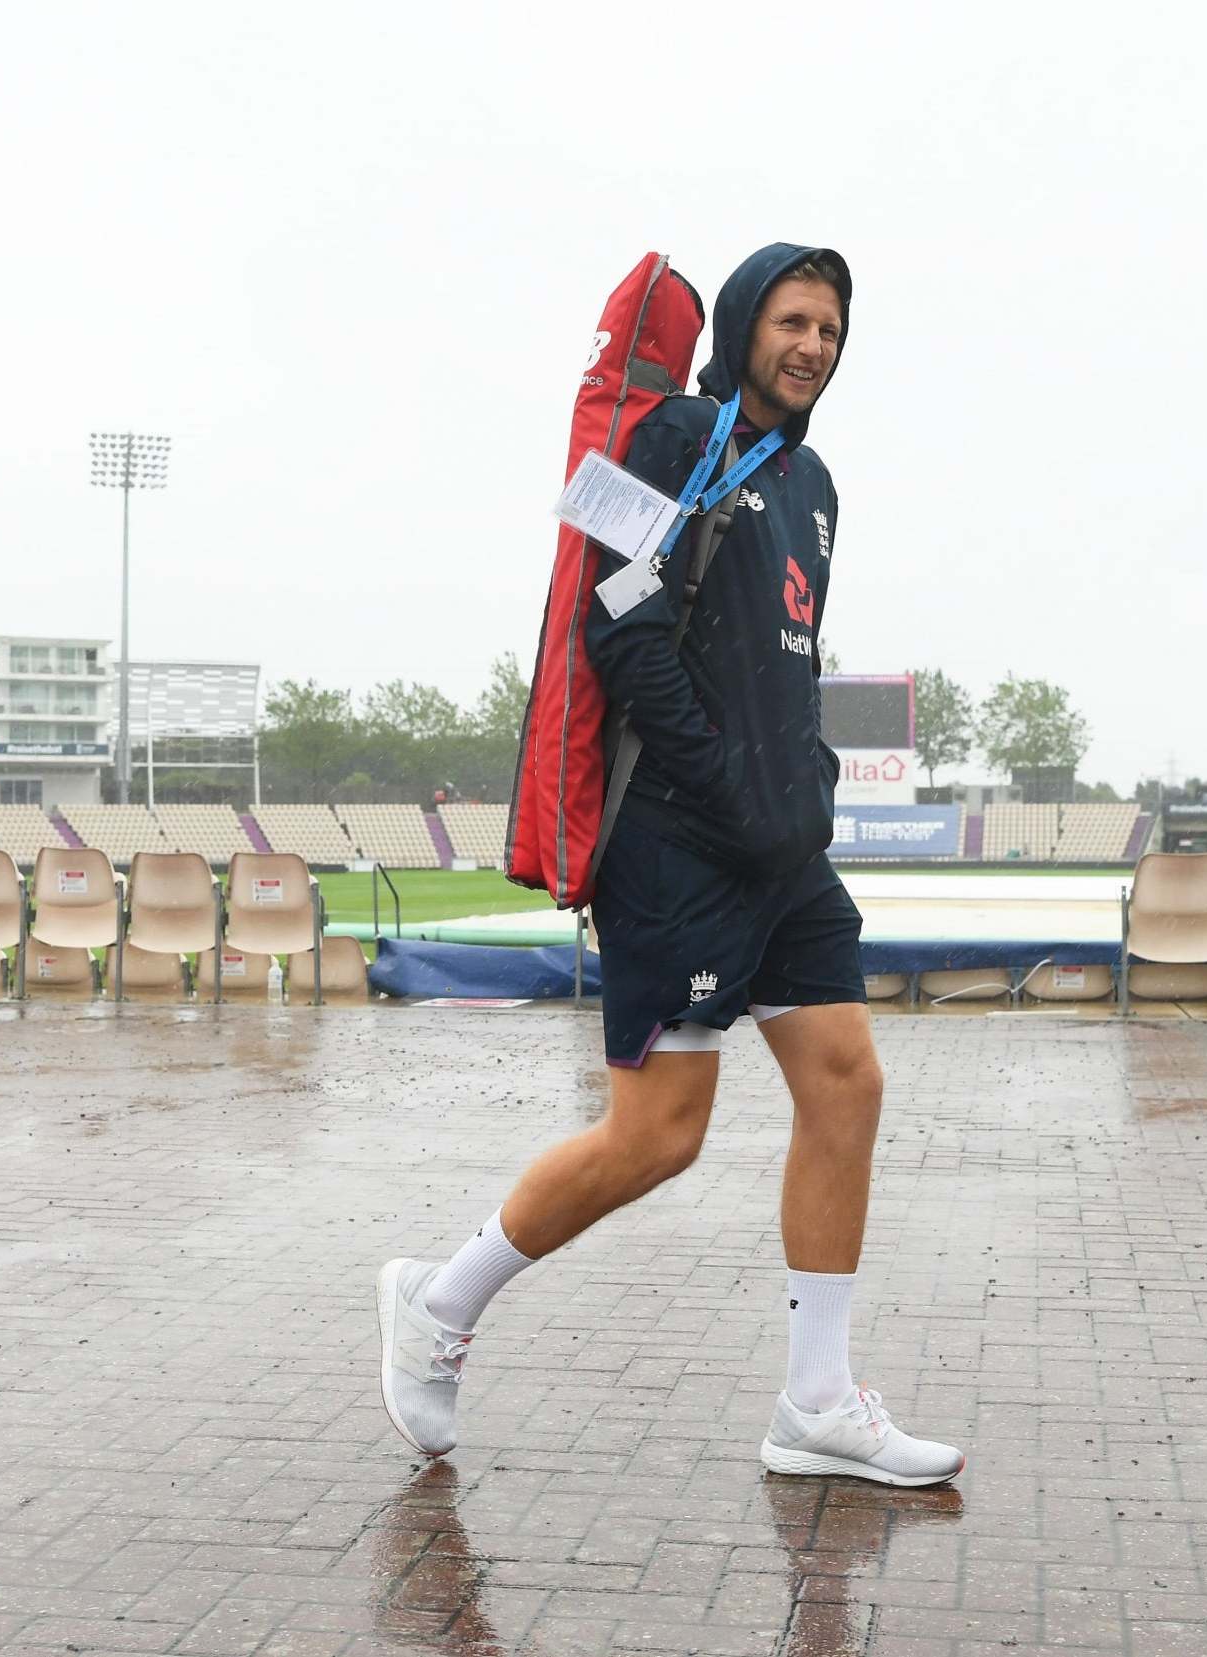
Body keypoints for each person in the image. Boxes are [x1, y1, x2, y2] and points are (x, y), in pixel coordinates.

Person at [377, 243, 962, 1486]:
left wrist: (793, 790)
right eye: (794, 321)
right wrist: (722, 781)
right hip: (677, 842)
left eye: (832, 330)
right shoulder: (664, 440)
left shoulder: (816, 487)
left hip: (780, 850)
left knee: (846, 1082)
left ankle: (816, 1404)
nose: (814, 346)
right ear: (746, 325)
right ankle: (436, 1301)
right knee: (657, 1137)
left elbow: (784, 657)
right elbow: (616, 626)